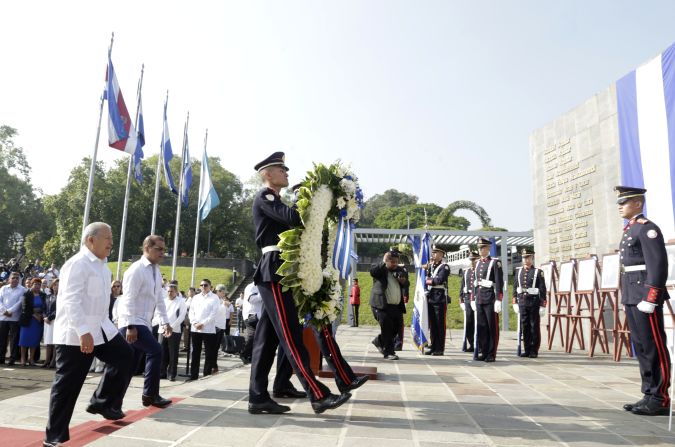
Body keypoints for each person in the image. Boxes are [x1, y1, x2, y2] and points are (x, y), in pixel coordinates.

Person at [248, 152, 350, 415]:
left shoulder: (276, 198)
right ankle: (316, 394)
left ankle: (258, 396)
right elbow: (293, 218)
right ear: (267, 174)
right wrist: (309, 199)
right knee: (291, 336)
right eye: (281, 169)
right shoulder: (265, 196)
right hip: (274, 270)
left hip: (281, 270)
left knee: (266, 340)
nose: (286, 172)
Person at [44, 222, 134, 446]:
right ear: (90, 240)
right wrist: (83, 332)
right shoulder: (77, 264)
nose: (111, 242)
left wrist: (108, 331)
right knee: (68, 386)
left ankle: (102, 401)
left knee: (126, 356)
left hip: (101, 329)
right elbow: (70, 301)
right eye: (107, 238)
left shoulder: (103, 267)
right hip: (76, 334)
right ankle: (54, 437)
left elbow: (101, 305)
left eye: (111, 238)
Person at [614, 186, 671, 416]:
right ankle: (648, 393)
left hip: (645, 296)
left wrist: (652, 296)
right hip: (632, 294)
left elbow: (657, 264)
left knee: (654, 346)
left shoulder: (647, 229)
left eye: (624, 202)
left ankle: (660, 397)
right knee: (642, 346)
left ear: (638, 204)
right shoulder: (630, 229)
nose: (620, 206)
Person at [117, 235, 173, 409]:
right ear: (147, 248)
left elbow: (159, 299)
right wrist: (131, 325)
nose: (163, 253)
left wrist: (165, 322)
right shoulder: (136, 269)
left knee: (130, 366)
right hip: (132, 322)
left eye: (164, 250)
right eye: (159, 249)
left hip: (144, 322)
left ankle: (113, 402)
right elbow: (128, 299)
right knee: (156, 350)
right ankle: (150, 394)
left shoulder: (155, 271)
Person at [370, 249, 409, 360]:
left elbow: (407, 283)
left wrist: (403, 281)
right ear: (386, 260)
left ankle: (379, 341)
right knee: (387, 327)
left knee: (397, 328)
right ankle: (389, 352)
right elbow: (373, 272)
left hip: (396, 306)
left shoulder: (401, 270)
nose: (394, 264)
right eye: (392, 261)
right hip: (381, 305)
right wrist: (383, 262)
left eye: (396, 261)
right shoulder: (380, 269)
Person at [512, 249, 546, 358]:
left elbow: (542, 289)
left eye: (528, 257)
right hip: (522, 301)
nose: (526, 260)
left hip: (533, 302)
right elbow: (515, 287)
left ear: (532, 258)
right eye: (524, 258)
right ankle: (526, 349)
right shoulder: (518, 271)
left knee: (533, 326)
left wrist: (542, 305)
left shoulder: (538, 272)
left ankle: (534, 349)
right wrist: (514, 301)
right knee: (525, 326)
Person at [473, 237, 503, 362]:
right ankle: (483, 351)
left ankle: (491, 353)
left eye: (482, 247)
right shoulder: (478, 263)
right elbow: (475, 283)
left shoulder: (495, 263)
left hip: (490, 298)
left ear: (488, 248)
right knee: (482, 327)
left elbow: (499, 282)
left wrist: (498, 299)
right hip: (479, 298)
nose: (480, 250)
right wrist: (473, 298)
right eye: (479, 248)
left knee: (492, 327)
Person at [188, 279, 220, 380]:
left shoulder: (215, 298)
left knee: (209, 353)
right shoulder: (196, 297)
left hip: (208, 329)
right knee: (195, 353)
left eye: (205, 285)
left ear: (210, 286)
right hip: (195, 329)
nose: (203, 287)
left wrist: (203, 323)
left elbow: (213, 314)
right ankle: (194, 376)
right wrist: (194, 323)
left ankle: (206, 375)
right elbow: (191, 312)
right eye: (201, 285)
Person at [157, 284, 186, 381]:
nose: (169, 293)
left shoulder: (181, 302)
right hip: (162, 329)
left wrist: (171, 327)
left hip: (174, 330)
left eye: (171, 291)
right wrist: (164, 326)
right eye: (168, 291)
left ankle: (171, 374)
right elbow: (159, 314)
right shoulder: (163, 301)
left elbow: (181, 316)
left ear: (176, 292)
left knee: (173, 353)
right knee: (162, 352)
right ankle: (162, 372)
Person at [424, 247, 450, 356]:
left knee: (439, 324)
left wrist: (428, 281)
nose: (433, 254)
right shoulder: (431, 266)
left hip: (439, 297)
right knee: (433, 324)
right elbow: (430, 279)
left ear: (441, 254)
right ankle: (433, 346)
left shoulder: (445, 267)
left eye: (436, 253)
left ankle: (439, 348)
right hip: (431, 297)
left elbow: (439, 280)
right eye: (433, 252)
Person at [19, 277, 47, 366]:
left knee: (34, 341)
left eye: (39, 284)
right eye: (35, 284)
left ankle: (31, 359)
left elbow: (45, 307)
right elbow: (24, 307)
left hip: (38, 322)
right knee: (24, 340)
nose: (37, 286)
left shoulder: (43, 294)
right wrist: (34, 315)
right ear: (31, 284)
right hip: (28, 319)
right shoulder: (26, 294)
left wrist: (42, 315)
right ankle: (23, 358)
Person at [0, 271, 26, 365]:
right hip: (2, 318)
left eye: (17, 278)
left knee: (14, 340)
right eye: (13, 278)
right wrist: (4, 311)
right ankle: (1, 357)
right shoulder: (3, 288)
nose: (15, 279)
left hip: (14, 318)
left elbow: (20, 303)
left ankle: (12, 358)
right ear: (9, 279)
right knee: (2, 339)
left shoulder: (23, 289)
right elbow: (0, 301)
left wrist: (10, 311)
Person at [459, 251, 479, 353]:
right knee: (469, 322)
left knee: (478, 322)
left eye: (474, 260)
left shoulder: (479, 271)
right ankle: (471, 343)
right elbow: (462, 286)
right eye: (471, 260)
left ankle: (478, 344)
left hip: (477, 298)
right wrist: (461, 298)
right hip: (467, 298)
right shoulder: (466, 271)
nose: (472, 262)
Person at [240, 282, 262, 365]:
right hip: (251, 316)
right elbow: (251, 299)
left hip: (259, 316)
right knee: (252, 337)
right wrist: (264, 294)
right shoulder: (251, 286)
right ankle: (244, 354)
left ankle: (253, 356)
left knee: (259, 337)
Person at [42, 278, 59, 368]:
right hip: (47, 321)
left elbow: (58, 309)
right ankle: (47, 360)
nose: (56, 286)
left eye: (58, 285)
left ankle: (53, 361)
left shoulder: (61, 297)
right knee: (48, 342)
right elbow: (44, 308)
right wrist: (45, 317)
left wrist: (49, 317)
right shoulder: (48, 296)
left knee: (55, 341)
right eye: (55, 285)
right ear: (52, 286)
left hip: (55, 321)